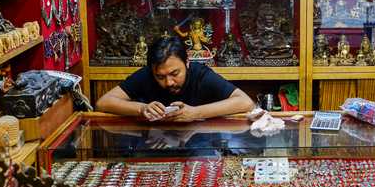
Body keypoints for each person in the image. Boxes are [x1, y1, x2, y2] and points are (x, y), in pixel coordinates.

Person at [96, 36, 255, 122]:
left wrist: (195, 113)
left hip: (199, 144)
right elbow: (103, 102)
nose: (169, 83)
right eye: (160, 77)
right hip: (154, 144)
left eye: (174, 74)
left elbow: (245, 102)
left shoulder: (200, 74)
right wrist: (142, 109)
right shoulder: (146, 74)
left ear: (187, 63)